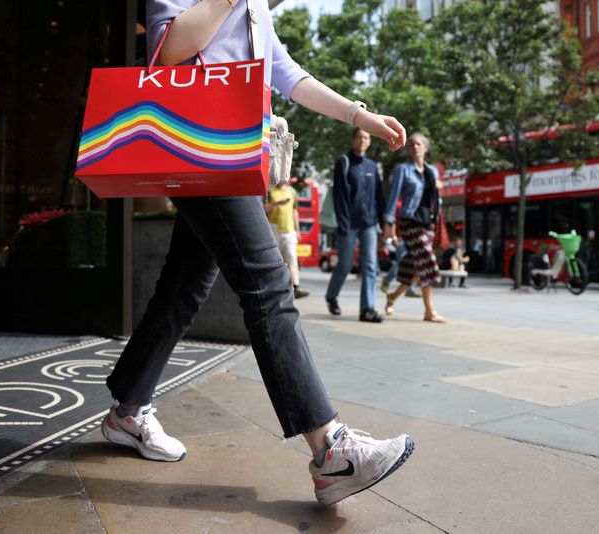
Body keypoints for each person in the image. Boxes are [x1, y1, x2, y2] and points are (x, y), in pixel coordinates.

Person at [101, 0, 414, 506]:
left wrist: (359, 115)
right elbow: (167, 48)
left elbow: (285, 72)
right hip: (199, 142)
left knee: (184, 286)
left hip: (234, 150)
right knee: (268, 283)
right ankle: (332, 451)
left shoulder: (255, 8)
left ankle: (127, 410)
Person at [382, 133, 446, 323]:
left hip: (429, 223)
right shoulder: (403, 170)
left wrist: (438, 189)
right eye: (411, 145)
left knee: (414, 268)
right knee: (427, 262)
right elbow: (393, 197)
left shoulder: (432, 172)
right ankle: (429, 311)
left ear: (426, 149)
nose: (414, 147)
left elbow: (435, 199)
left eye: (418, 144)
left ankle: (392, 297)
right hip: (410, 222)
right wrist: (389, 223)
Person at [323, 129, 384, 323]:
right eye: (359, 137)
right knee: (345, 264)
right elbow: (340, 195)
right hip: (348, 223)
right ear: (352, 140)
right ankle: (332, 296)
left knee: (370, 265)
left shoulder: (373, 167)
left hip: (369, 223)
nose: (362, 140)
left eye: (366, 137)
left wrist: (383, 223)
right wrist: (343, 223)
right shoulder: (344, 162)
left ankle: (367, 309)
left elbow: (378, 196)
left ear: (370, 141)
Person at [265, 179, 309, 299]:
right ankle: (273, 287)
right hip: (274, 229)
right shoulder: (270, 190)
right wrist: (277, 204)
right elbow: (264, 209)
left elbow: (295, 212)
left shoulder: (292, 192)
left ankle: (296, 287)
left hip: (289, 230)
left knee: (292, 260)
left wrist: (298, 230)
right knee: (274, 260)